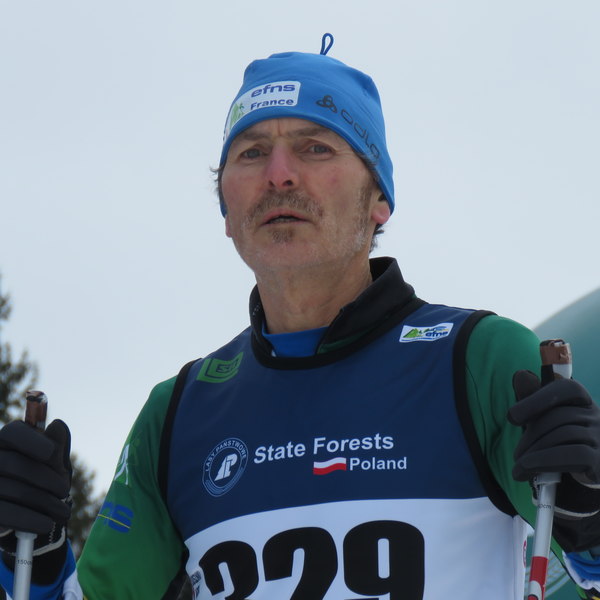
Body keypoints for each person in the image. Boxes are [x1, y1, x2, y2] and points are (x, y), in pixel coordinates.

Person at [1, 34, 600, 600]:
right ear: (225, 208)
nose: (279, 174)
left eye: (316, 147)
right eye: (252, 152)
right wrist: (36, 555)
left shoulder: (480, 359)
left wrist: (590, 517)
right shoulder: (178, 412)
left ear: (379, 198)